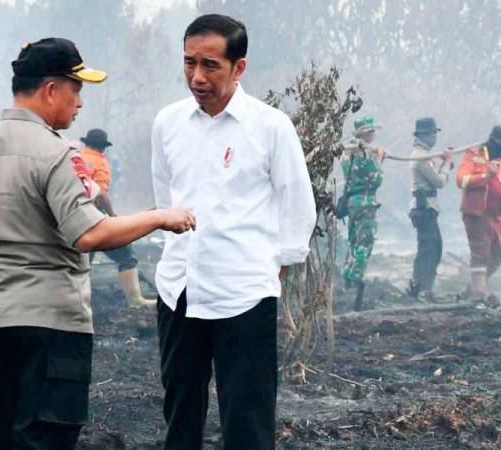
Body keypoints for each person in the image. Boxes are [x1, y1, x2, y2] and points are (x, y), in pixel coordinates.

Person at [0, 37, 195, 450]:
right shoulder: (57, 154)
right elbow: (89, 233)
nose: (80, 102)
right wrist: (161, 216)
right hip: (49, 332)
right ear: (51, 89)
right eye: (77, 88)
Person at [151, 14, 316, 450]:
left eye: (210, 66)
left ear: (238, 67)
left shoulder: (270, 126)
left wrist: (272, 266)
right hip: (178, 290)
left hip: (244, 293)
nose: (197, 76)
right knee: (180, 411)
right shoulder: (168, 123)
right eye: (189, 63)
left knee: (246, 416)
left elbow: (298, 204)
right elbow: (165, 198)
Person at [80, 128, 156, 308]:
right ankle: (136, 300)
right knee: (125, 255)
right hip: (96, 219)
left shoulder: (77, 158)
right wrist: (113, 215)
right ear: (102, 148)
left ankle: (76, 301)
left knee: (83, 264)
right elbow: (102, 192)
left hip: (77, 220)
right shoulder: (99, 162)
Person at [457, 125, 501, 303]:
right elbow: (461, 179)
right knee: (480, 252)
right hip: (476, 213)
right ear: (491, 141)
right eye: (499, 145)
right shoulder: (474, 154)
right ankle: (478, 296)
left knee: (500, 252)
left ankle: (473, 288)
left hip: (497, 213)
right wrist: (485, 175)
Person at [342, 116, 386, 311]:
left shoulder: (348, 153)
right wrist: (379, 160)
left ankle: (347, 278)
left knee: (353, 241)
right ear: (366, 133)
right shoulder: (364, 153)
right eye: (372, 131)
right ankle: (355, 281)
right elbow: (375, 179)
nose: (374, 134)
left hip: (353, 202)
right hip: (366, 202)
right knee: (364, 242)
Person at [408, 117, 453, 301]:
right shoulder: (420, 157)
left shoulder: (426, 155)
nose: (435, 136)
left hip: (428, 208)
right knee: (428, 250)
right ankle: (420, 289)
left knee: (434, 247)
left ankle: (422, 288)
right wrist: (448, 164)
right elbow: (440, 182)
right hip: (424, 209)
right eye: (432, 133)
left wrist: (443, 163)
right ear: (424, 135)